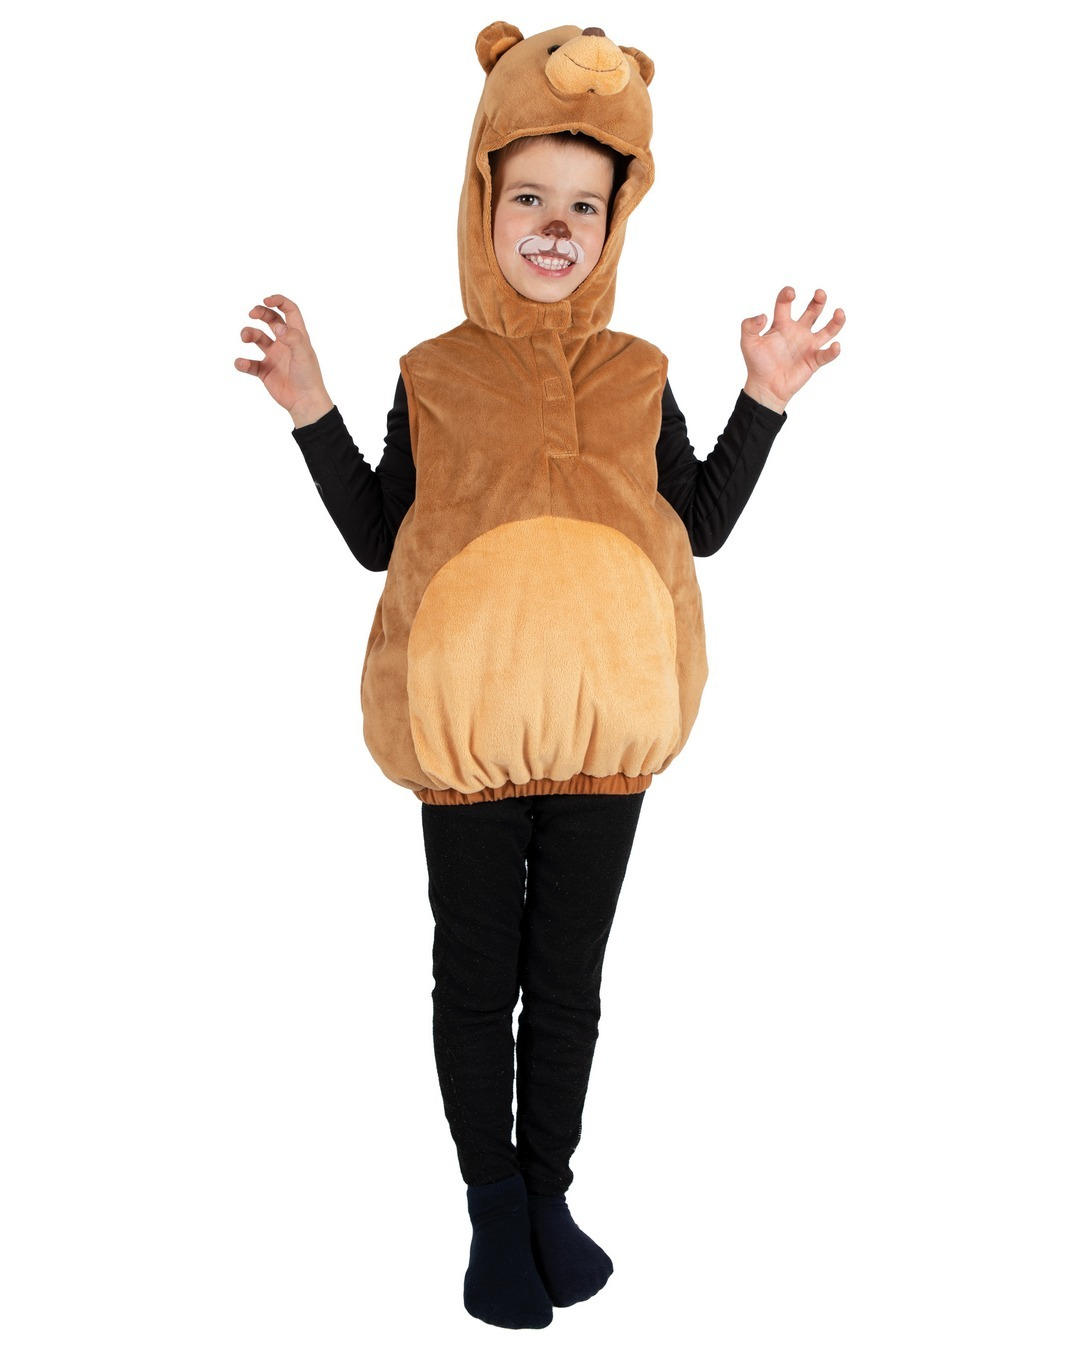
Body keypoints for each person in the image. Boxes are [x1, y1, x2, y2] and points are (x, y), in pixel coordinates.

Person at [234, 23, 844, 1332]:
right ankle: (493, 1210)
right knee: (477, 981)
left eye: (584, 204)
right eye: (529, 199)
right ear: (483, 205)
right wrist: (312, 408)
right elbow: (378, 536)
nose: (556, 226)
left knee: (568, 983)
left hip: (607, 736)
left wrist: (764, 399)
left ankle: (549, 1191)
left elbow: (699, 522)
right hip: (469, 734)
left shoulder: (638, 374)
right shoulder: (436, 374)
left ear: (617, 223)